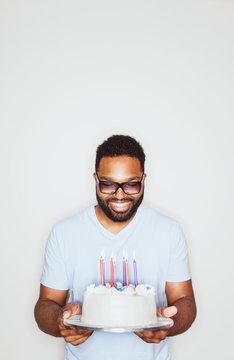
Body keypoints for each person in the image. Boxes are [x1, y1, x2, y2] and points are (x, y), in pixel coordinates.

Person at [34, 134, 196, 360]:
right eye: (108, 184)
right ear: (95, 179)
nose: (120, 194)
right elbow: (46, 304)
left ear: (144, 179)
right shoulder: (65, 233)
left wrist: (169, 323)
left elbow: (185, 302)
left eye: (131, 184)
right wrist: (61, 321)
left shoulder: (168, 231)